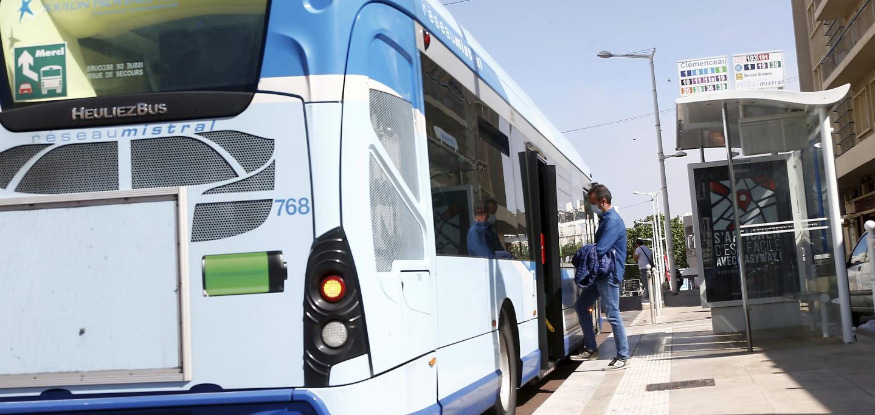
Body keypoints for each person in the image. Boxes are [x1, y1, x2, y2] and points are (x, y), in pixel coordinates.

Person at [572, 184, 630, 370]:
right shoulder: (605, 219)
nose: (592, 207)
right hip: (600, 273)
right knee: (582, 306)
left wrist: (582, 252)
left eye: (594, 203)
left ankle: (622, 355)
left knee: (613, 314)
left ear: (603, 201)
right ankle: (591, 348)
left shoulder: (612, 221)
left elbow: (601, 248)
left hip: (609, 274)